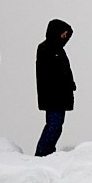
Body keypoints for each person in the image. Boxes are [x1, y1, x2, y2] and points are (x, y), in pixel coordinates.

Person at [34, 19, 76, 156]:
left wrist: (70, 85)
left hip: (59, 95)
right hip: (53, 95)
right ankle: (42, 152)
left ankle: (47, 151)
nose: (65, 37)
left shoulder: (58, 50)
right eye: (64, 34)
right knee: (53, 124)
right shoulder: (46, 49)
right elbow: (51, 73)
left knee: (57, 125)